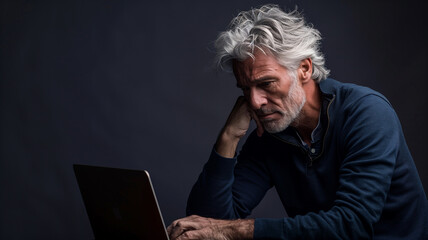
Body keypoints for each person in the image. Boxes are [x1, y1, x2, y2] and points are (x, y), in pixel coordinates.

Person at [167, 4, 428, 240]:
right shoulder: (271, 132)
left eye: (266, 83)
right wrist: (229, 138)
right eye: (245, 89)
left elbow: (352, 225)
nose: (255, 101)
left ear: (304, 69)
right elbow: (203, 226)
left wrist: (240, 230)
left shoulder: (367, 112)